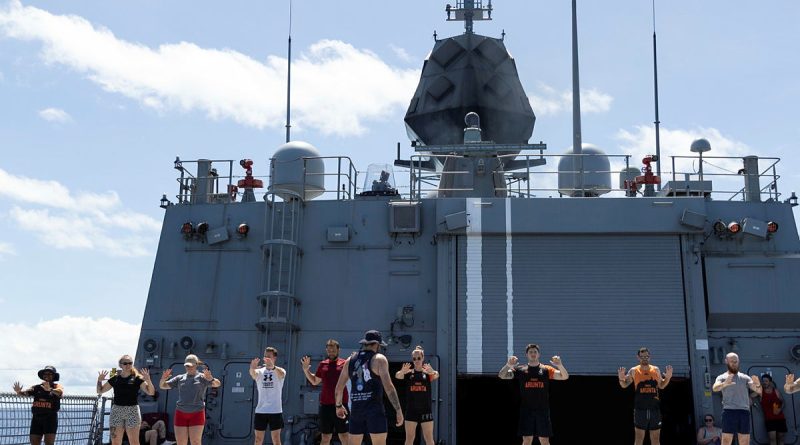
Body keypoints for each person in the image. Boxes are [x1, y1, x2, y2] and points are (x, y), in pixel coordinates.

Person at [334, 330, 403, 445]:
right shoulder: (379, 359)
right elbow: (389, 387)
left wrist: (338, 406)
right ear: (376, 344)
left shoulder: (349, 361)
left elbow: (338, 389)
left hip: (356, 412)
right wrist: (398, 410)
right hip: (374, 411)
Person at [498, 344, 569, 445]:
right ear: (526, 354)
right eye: (530, 352)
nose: (533, 354)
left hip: (542, 410)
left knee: (544, 441)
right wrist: (508, 365)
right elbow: (501, 375)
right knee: (527, 440)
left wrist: (559, 365)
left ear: (539, 354)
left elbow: (564, 376)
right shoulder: (521, 370)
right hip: (526, 410)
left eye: (535, 352)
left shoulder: (546, 369)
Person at [159, 354, 221, 445]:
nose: (189, 367)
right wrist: (163, 379)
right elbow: (162, 386)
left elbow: (217, 384)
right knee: (181, 443)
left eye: (191, 365)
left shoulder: (202, 377)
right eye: (187, 365)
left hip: (197, 413)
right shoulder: (179, 378)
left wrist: (211, 378)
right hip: (181, 413)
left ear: (196, 365)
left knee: (195, 442)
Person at [617, 347, 673, 445]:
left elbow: (661, 386)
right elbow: (624, 385)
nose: (645, 358)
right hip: (640, 409)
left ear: (650, 357)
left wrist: (668, 378)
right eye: (642, 357)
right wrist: (621, 379)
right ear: (638, 357)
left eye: (647, 356)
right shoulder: (634, 370)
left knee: (655, 440)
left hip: (654, 409)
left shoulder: (655, 369)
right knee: (639, 439)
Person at [97, 354, 156, 445]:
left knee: (134, 442)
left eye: (130, 363)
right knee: (115, 442)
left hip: (132, 411)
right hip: (117, 411)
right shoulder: (115, 379)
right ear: (120, 365)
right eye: (125, 363)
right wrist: (99, 381)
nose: (128, 365)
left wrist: (148, 380)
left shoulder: (137, 379)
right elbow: (100, 391)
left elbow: (151, 392)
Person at [301, 339, 349, 445]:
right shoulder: (323, 364)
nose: (331, 353)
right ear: (326, 350)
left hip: (341, 405)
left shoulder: (345, 364)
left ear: (338, 350)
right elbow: (315, 381)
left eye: (333, 350)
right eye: (329, 351)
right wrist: (306, 370)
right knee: (325, 437)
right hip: (326, 406)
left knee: (344, 436)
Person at [712, 352, 761, 445]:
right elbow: (715, 388)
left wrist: (758, 385)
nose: (734, 363)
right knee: (726, 440)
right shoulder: (722, 377)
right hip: (729, 411)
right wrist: (724, 384)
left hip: (744, 412)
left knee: (744, 441)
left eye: (736, 361)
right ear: (726, 361)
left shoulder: (745, 377)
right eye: (731, 361)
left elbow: (758, 390)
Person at [394, 345, 439, 445]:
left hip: (425, 411)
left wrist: (433, 371)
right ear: (412, 360)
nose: (417, 360)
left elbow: (436, 375)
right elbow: (397, 376)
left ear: (422, 358)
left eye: (419, 358)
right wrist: (402, 371)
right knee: (409, 439)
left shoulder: (427, 373)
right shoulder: (409, 373)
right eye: (414, 358)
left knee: (429, 439)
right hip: (411, 411)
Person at [12, 365, 64, 445]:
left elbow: (60, 392)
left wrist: (50, 390)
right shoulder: (36, 387)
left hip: (50, 419)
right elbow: (26, 393)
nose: (47, 376)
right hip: (37, 418)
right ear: (43, 376)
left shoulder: (56, 386)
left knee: (49, 443)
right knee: (34, 442)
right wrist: (19, 392)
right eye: (45, 374)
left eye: (50, 374)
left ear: (53, 376)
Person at [250, 346, 286, 445]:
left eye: (269, 357)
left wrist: (273, 367)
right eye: (265, 356)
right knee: (258, 440)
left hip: (275, 410)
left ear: (274, 358)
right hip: (261, 410)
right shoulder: (260, 371)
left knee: (276, 440)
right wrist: (252, 368)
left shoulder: (280, 370)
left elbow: (281, 375)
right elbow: (253, 374)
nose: (266, 358)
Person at [750, 374, 786, 445]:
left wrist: (780, 409)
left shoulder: (776, 391)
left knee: (781, 438)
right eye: (763, 381)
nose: (764, 382)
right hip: (769, 419)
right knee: (772, 439)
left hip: (780, 418)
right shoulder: (760, 392)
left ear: (770, 382)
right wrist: (750, 402)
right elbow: (750, 396)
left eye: (766, 381)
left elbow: (783, 402)